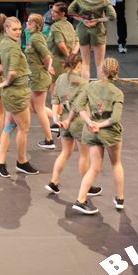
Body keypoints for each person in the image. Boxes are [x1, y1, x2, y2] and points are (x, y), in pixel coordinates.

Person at [72, 58, 134, 215]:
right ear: (116, 72)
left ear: (102, 70)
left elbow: (78, 106)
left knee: (94, 168)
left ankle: (80, 199)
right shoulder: (117, 93)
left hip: (92, 132)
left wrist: (90, 122)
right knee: (116, 163)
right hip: (110, 132)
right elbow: (115, 118)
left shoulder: (90, 86)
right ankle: (120, 198)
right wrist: (100, 125)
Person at [45, 54, 100, 197]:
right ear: (79, 66)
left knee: (65, 152)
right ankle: (86, 186)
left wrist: (56, 118)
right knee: (84, 156)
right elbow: (78, 106)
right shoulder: (83, 83)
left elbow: (55, 100)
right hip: (79, 123)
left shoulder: (61, 79)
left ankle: (54, 181)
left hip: (63, 122)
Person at [0, 17, 39, 178]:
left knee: (9, 126)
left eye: (19, 29)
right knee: (24, 129)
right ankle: (22, 161)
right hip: (17, 93)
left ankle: (0, 162)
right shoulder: (13, 48)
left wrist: (4, 74)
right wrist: (6, 80)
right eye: (14, 29)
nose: (18, 32)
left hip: (11, 94)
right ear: (6, 29)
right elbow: (11, 72)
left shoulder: (4, 43)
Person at [68, 0, 116, 79]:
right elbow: (112, 16)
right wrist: (98, 20)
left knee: (85, 63)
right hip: (97, 31)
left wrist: (83, 20)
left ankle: (85, 87)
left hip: (83, 30)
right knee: (99, 64)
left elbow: (70, 11)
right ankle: (100, 87)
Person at [25, 14, 56, 150]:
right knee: (33, 107)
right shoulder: (35, 37)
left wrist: (46, 67)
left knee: (39, 108)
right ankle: (60, 122)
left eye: (29, 22)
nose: (27, 24)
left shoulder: (36, 38)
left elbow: (47, 56)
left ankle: (49, 140)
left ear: (36, 25)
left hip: (39, 77)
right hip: (35, 77)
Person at [47, 2, 79, 81]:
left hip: (56, 62)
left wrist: (68, 57)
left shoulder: (55, 26)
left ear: (63, 13)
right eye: (52, 10)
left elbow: (61, 44)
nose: (52, 13)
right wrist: (72, 56)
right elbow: (77, 42)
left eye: (55, 12)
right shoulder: (69, 25)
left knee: (54, 85)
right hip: (67, 63)